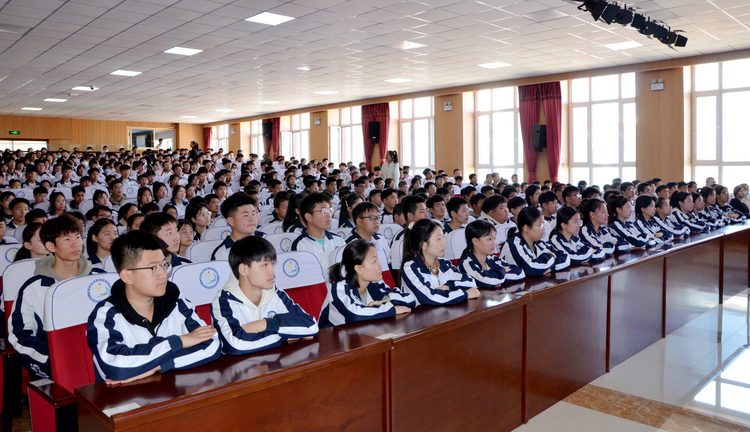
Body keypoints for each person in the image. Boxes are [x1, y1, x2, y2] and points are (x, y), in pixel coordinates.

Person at [87, 231, 221, 384]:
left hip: (174, 392)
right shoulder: (105, 314)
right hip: (124, 400)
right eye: (153, 268)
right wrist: (177, 342)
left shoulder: (175, 299)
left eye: (164, 265)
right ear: (127, 276)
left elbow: (211, 344)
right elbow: (115, 366)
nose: (163, 274)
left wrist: (158, 366)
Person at [9, 216, 107, 379]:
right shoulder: (33, 288)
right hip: (53, 361)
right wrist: (54, 358)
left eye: (77, 237)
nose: (76, 244)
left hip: (101, 357)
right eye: (67, 239)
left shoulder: (99, 280)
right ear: (50, 246)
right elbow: (20, 335)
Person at [210, 236, 318, 353]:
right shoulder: (223, 301)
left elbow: (311, 325)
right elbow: (236, 344)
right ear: (243, 270)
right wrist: (285, 334)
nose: (272, 271)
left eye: (272, 264)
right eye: (265, 265)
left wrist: (265, 324)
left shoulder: (276, 293)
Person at [319, 240, 413, 328]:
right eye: (374, 261)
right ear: (359, 269)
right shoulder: (338, 289)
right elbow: (355, 315)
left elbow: (409, 299)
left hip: (362, 334)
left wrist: (385, 300)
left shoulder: (374, 283)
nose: (380, 265)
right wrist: (392, 309)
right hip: (334, 340)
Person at [400, 219, 480, 306]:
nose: (444, 243)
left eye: (443, 237)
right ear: (423, 245)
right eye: (438, 239)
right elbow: (430, 297)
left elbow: (470, 281)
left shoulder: (444, 263)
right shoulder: (410, 268)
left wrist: (448, 287)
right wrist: (466, 294)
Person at [500, 207, 569, 276]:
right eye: (540, 225)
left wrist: (552, 267)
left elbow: (565, 257)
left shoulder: (538, 242)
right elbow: (531, 269)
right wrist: (551, 256)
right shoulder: (514, 244)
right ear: (526, 228)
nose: (544, 228)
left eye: (544, 224)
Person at [290, 193, 346, 279]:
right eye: (323, 211)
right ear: (308, 217)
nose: (329, 215)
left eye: (330, 210)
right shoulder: (299, 245)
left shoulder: (339, 240)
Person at [457, 220, 524, 288]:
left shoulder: (493, 259)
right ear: (476, 241)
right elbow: (487, 280)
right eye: (489, 239)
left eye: (494, 238)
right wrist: (502, 270)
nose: (494, 243)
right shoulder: (465, 264)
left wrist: (497, 278)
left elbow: (520, 272)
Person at [211, 193, 265, 261]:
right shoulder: (221, 254)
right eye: (246, 215)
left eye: (254, 214)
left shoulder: (265, 241)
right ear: (231, 221)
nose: (253, 219)